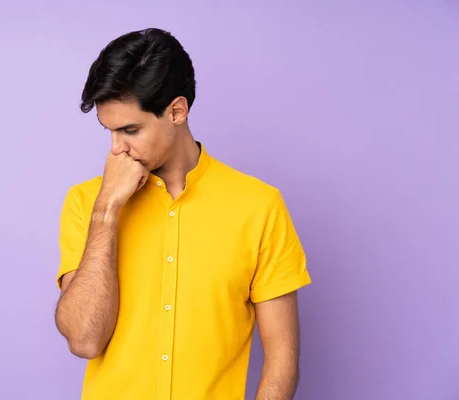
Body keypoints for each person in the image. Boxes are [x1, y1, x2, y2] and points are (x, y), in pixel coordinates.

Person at [54, 27, 311, 400]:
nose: (116, 150)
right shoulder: (87, 202)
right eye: (108, 131)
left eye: (130, 130)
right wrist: (107, 210)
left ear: (177, 111)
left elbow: (282, 360)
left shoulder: (259, 206)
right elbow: (83, 340)